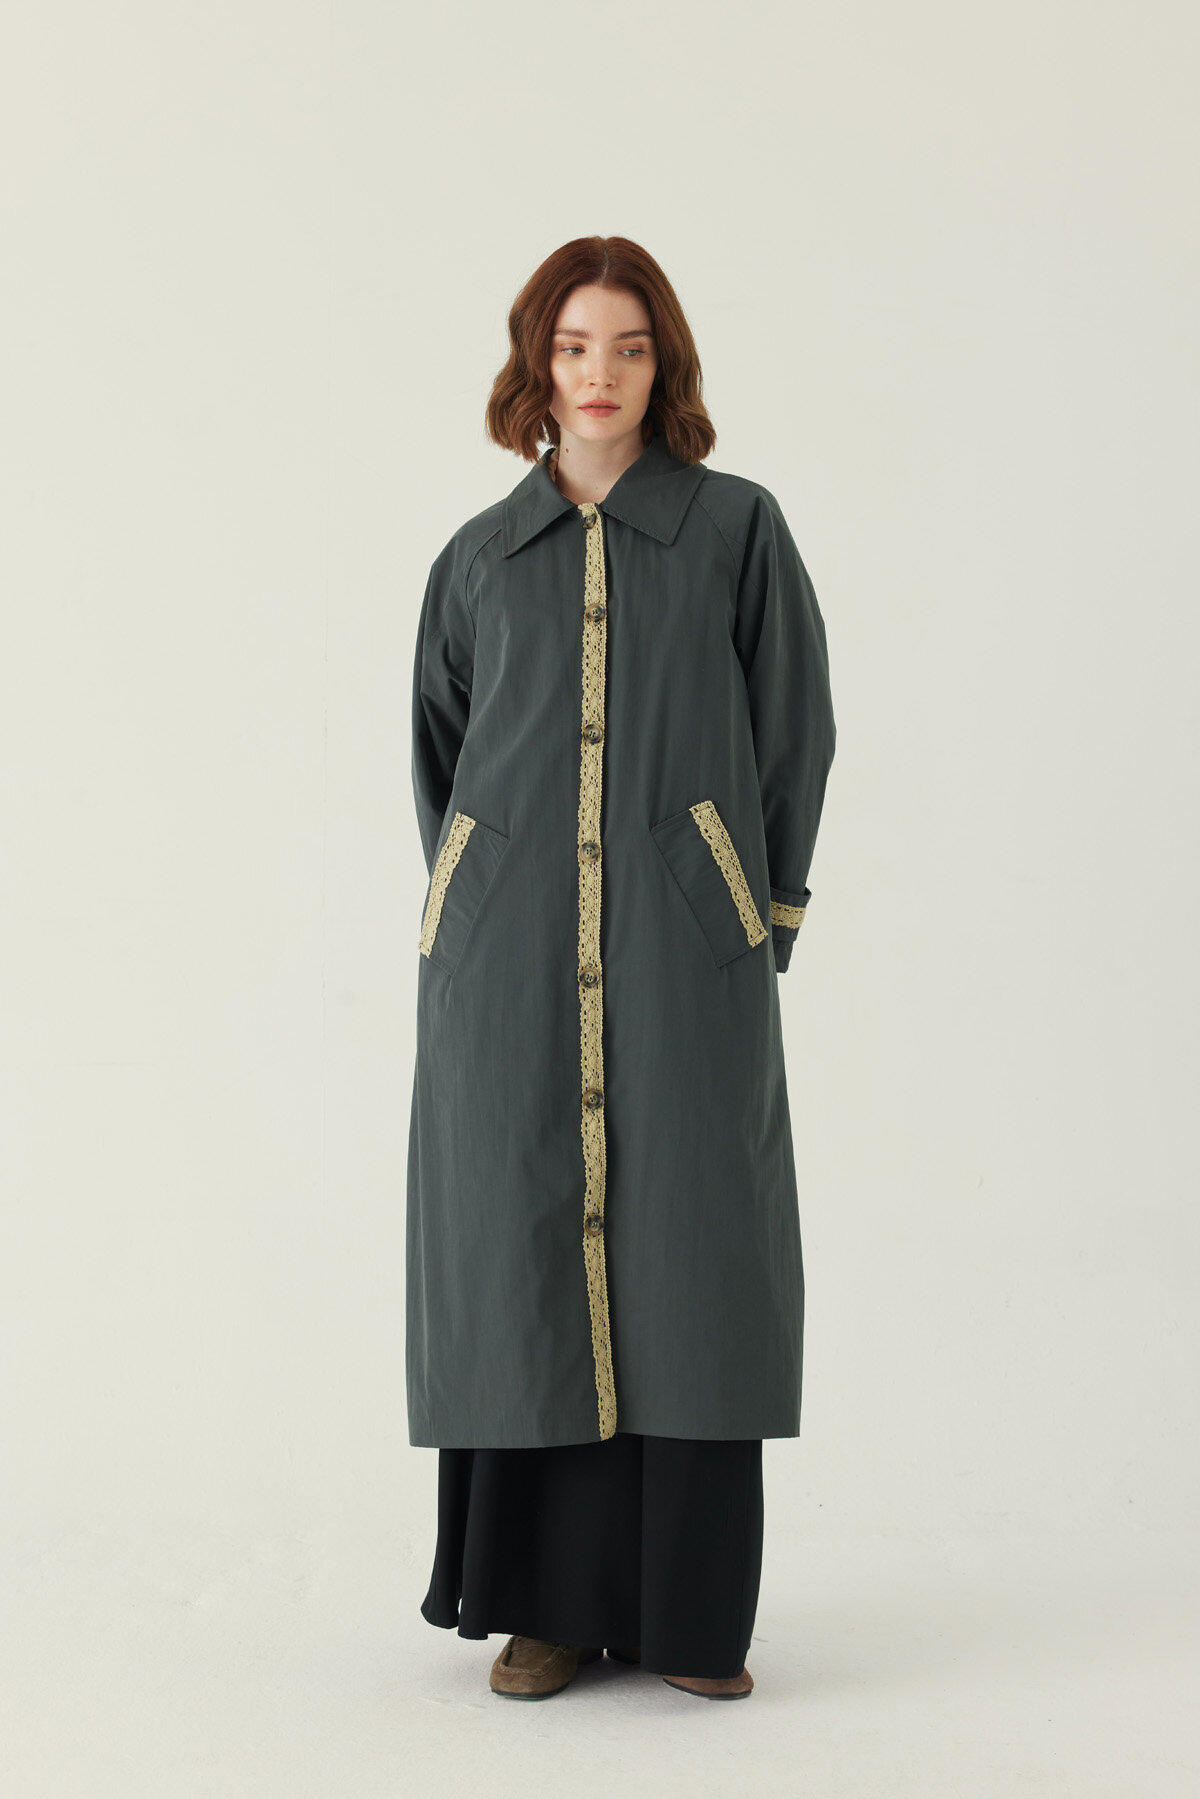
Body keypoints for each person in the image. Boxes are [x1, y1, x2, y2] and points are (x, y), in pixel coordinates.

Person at [408, 236, 837, 1701]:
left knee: (693, 1261)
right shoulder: (481, 556)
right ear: (537, 364)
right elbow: (442, 760)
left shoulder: (734, 529)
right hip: (506, 970)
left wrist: (750, 909)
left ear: (668, 366)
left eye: (631, 347)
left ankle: (690, 1621)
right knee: (523, 1256)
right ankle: (544, 1611)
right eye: (575, 345)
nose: (601, 374)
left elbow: (793, 728)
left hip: (686, 950)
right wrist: (477, 905)